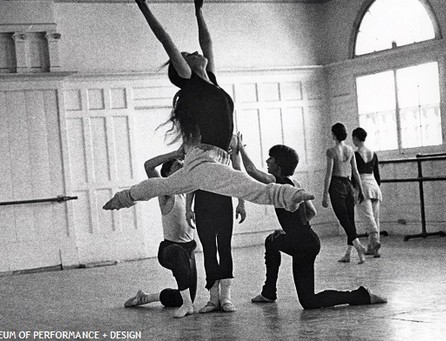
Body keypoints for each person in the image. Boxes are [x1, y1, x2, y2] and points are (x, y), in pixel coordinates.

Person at [102, 0, 314, 213]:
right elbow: (166, 40)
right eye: (187, 56)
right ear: (184, 68)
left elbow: (207, 44)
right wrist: (143, 6)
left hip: (210, 160)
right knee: (244, 184)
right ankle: (289, 195)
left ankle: (122, 198)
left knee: (162, 185)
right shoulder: (190, 82)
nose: (195, 52)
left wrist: (198, 11)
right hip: (204, 161)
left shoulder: (210, 80)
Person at [237, 133, 387, 309]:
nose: (267, 161)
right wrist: (292, 229)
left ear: (279, 166)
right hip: (308, 240)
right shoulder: (295, 182)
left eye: (271, 159)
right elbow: (311, 212)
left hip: (301, 244)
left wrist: (240, 148)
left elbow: (252, 171)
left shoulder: (278, 181)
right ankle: (269, 293)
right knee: (273, 244)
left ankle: (269, 293)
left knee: (273, 245)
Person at [124, 148, 197, 318]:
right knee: (178, 256)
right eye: (178, 165)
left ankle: (145, 298)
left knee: (184, 296)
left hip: (188, 250)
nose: (182, 167)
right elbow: (148, 166)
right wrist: (175, 154)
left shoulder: (189, 190)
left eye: (183, 164)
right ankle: (188, 306)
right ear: (168, 173)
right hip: (169, 249)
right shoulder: (165, 190)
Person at [186, 134, 246, 314]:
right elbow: (191, 176)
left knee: (224, 247)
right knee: (209, 250)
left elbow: (238, 172)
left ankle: (226, 297)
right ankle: (213, 298)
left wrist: (241, 202)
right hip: (203, 200)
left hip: (223, 199)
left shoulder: (231, 139)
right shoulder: (193, 139)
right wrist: (188, 207)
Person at [322, 123, 367, 264]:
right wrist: (360, 189)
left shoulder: (331, 151)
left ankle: (358, 246)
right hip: (348, 185)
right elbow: (355, 172)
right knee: (349, 220)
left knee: (344, 220)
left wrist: (324, 195)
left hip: (336, 186)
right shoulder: (350, 150)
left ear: (334, 135)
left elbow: (328, 174)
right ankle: (349, 254)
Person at [352, 127, 382, 258]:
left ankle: (375, 241)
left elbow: (355, 174)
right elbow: (377, 175)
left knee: (368, 218)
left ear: (355, 138)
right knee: (375, 218)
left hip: (363, 185)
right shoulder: (373, 153)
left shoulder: (355, 154)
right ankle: (372, 247)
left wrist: (355, 190)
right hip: (374, 185)